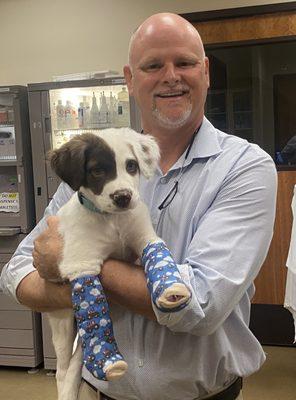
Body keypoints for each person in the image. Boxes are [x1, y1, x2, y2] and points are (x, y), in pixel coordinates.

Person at [0, 12, 277, 400]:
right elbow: (16, 275)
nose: (171, 76)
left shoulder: (245, 168)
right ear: (130, 78)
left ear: (206, 71)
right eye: (153, 65)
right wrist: (82, 284)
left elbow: (198, 304)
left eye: (184, 62)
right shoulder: (93, 167)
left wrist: (79, 266)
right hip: (100, 392)